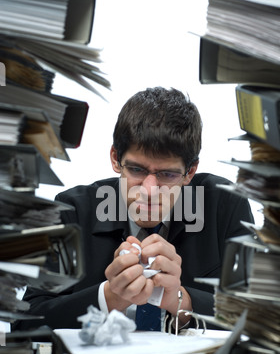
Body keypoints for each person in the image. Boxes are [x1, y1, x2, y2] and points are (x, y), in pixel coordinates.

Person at [13, 87, 253, 332]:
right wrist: (109, 298)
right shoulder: (71, 211)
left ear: (189, 172)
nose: (149, 190)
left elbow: (260, 317)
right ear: (116, 159)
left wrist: (181, 301)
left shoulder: (225, 205)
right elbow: (25, 322)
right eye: (137, 170)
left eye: (167, 174)